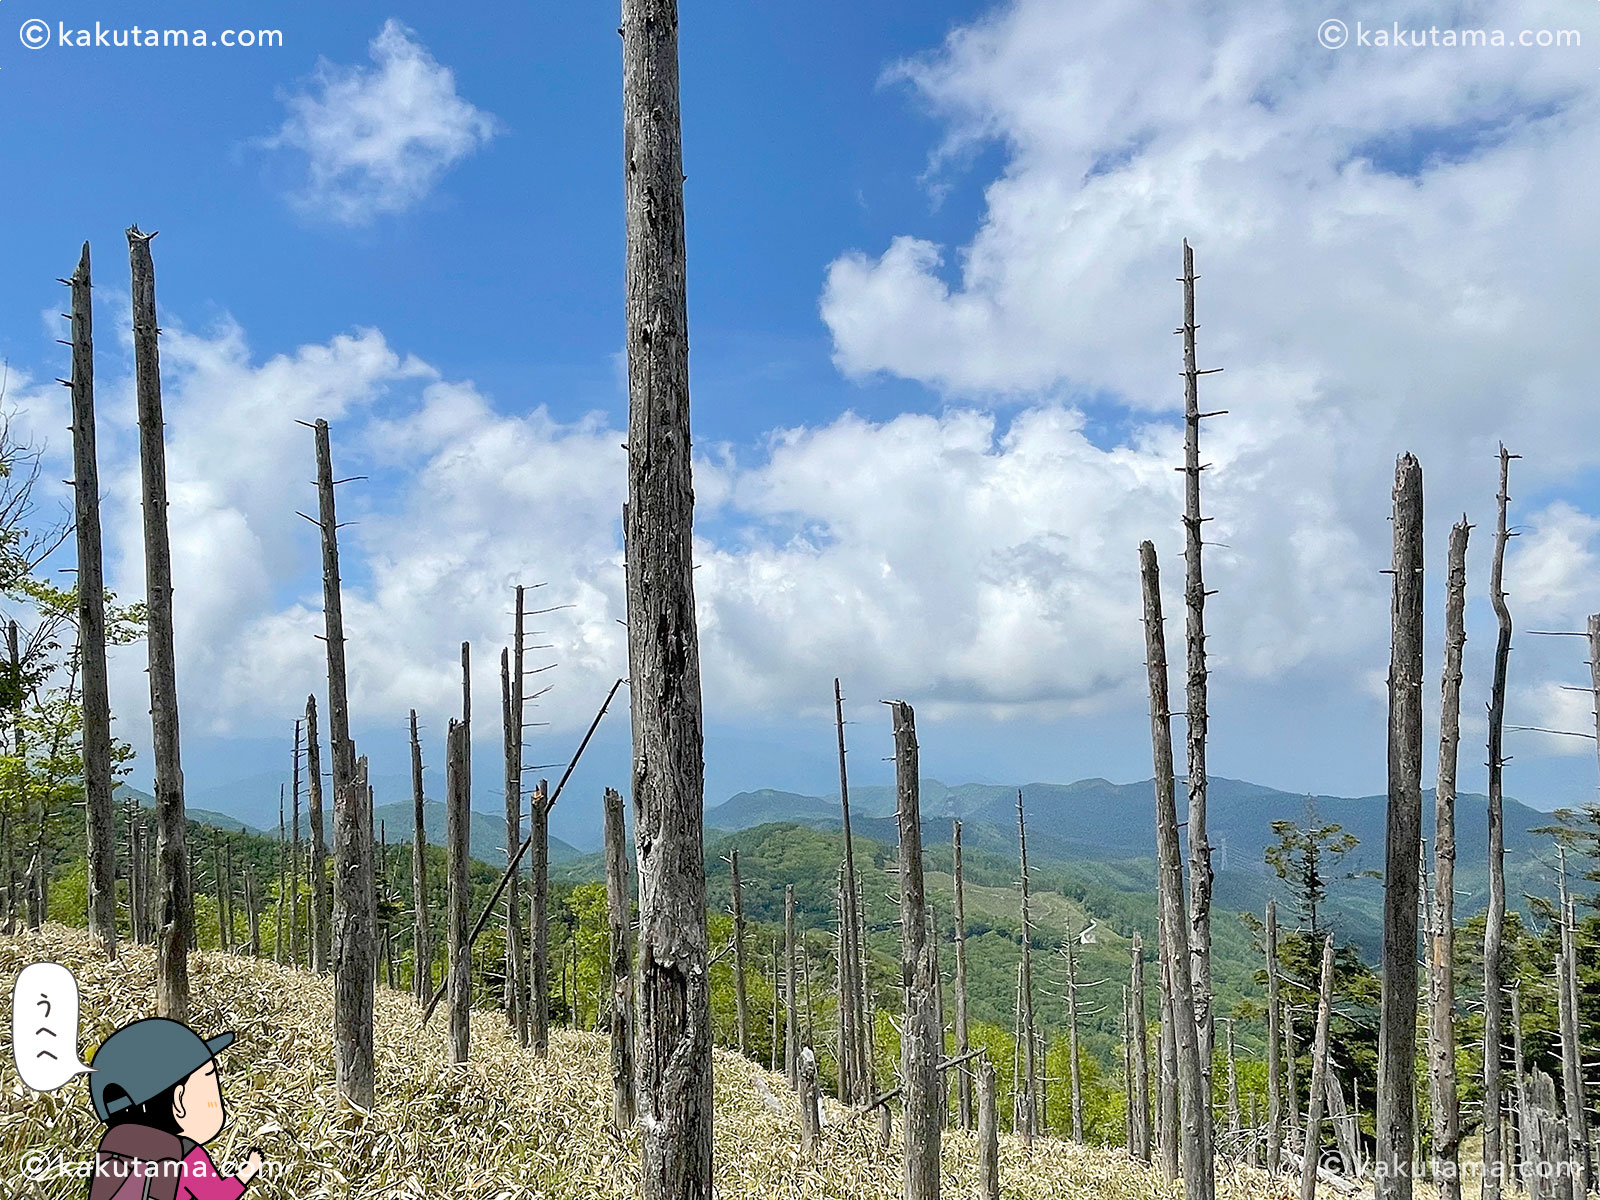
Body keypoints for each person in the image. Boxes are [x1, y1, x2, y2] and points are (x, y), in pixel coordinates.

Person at [86, 1017, 265, 1200]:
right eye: (210, 1081)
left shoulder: (114, 1143)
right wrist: (250, 1168)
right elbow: (218, 1196)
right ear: (179, 1101)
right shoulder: (187, 1155)